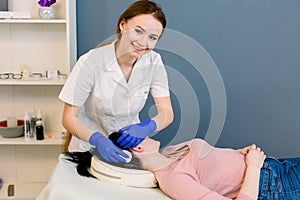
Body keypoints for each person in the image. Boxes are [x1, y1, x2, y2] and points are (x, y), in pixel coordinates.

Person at [59, 0, 174, 163]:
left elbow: (167, 113)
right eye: (138, 31)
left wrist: (147, 126)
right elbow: (69, 117)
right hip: (87, 149)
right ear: (123, 25)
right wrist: (97, 139)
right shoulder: (90, 62)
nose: (143, 42)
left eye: (152, 37)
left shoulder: (154, 61)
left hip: (128, 148)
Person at [66, 134, 300, 200]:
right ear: (136, 149)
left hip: (274, 166)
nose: (146, 132)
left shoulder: (168, 152)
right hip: (274, 186)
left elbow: (212, 165)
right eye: (138, 135)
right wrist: (253, 167)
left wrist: (239, 155)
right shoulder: (174, 179)